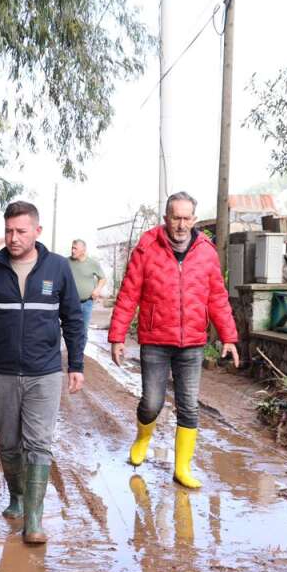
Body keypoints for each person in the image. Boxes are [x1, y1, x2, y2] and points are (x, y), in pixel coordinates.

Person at [0, 201, 85, 545]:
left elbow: (73, 320)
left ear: (37, 231)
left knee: (38, 444)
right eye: (8, 231)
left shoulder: (57, 268)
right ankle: (17, 495)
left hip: (44, 372)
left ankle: (33, 518)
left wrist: (76, 364)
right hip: (2, 371)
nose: (13, 238)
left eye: (21, 231)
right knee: (9, 443)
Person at [107, 191, 240, 490]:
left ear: (194, 219)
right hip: (155, 340)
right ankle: (143, 438)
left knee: (189, 406)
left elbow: (217, 297)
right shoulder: (147, 248)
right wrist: (117, 336)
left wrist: (228, 336)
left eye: (186, 218)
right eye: (175, 218)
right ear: (166, 218)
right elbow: (129, 294)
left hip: (192, 342)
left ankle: (182, 468)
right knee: (152, 403)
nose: (181, 224)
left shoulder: (206, 251)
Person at [68, 238, 107, 336]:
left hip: (86, 303)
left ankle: (81, 347)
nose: (72, 251)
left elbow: (102, 278)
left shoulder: (92, 263)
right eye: (72, 248)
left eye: (75, 248)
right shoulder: (66, 262)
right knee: (70, 330)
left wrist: (97, 290)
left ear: (83, 250)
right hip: (70, 303)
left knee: (83, 331)